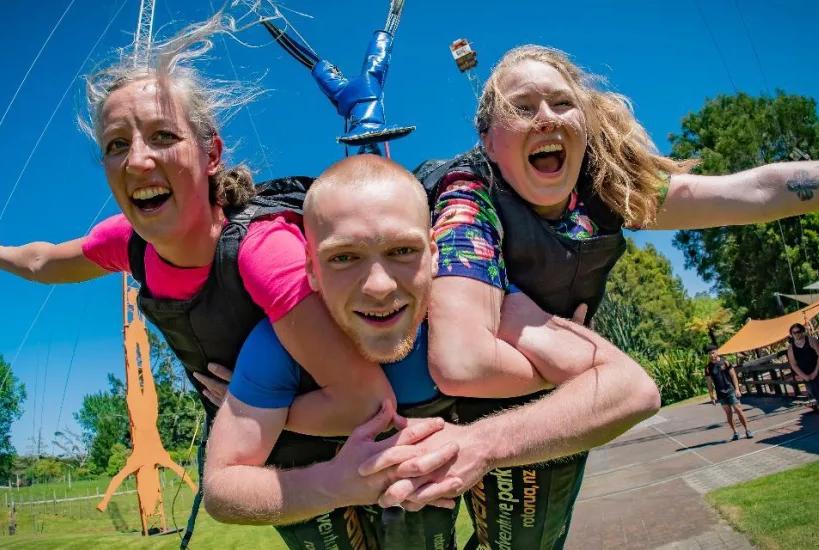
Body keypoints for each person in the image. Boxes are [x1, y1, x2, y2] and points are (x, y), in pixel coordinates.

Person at [411, 44, 819, 546]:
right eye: (521, 109)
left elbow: (757, 192)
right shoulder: (467, 198)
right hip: (432, 405)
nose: (545, 117)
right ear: (488, 140)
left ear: (585, 123)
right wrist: (590, 367)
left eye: (562, 102)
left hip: (546, 410)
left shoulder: (607, 189)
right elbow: (463, 363)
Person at [0, 15, 402, 544]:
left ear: (211, 154)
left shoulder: (264, 254)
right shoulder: (128, 244)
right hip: (272, 467)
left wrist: (259, 409)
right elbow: (49, 260)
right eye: (115, 145)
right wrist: (0, 256)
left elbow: (367, 401)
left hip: (354, 444)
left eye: (162, 137)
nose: (137, 160)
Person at [202, 155, 658, 549]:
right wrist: (335, 483)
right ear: (312, 271)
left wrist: (480, 445)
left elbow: (633, 389)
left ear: (435, 255)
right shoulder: (283, 343)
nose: (379, 287)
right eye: (344, 257)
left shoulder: (480, 306)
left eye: (402, 251)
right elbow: (222, 488)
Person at [786, 323, 819, 429]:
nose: (797, 334)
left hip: (818, 370)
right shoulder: (791, 348)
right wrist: (804, 376)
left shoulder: (811, 341)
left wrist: (816, 371)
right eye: (794, 333)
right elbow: (793, 364)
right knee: (817, 395)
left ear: (802, 331)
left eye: (799, 332)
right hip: (806, 373)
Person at [705, 345, 752, 440]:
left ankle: (747, 430)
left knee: (738, 409)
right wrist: (711, 395)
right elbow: (709, 383)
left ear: (717, 352)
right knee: (728, 413)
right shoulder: (708, 368)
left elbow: (734, 376)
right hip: (720, 393)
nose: (712, 355)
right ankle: (735, 432)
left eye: (713, 352)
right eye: (710, 354)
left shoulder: (725, 362)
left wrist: (737, 389)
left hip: (730, 390)